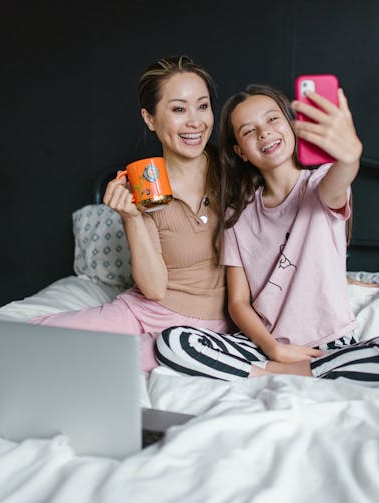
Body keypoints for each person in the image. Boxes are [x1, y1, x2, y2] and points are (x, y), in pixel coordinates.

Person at [156, 83, 379, 384]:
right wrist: (272, 349)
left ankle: (280, 375)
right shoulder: (238, 215)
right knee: (173, 342)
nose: (264, 133)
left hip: (327, 346)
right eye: (248, 131)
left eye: (273, 119)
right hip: (265, 347)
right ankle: (299, 374)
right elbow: (238, 303)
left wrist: (350, 157)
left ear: (292, 125)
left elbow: (339, 180)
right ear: (240, 152)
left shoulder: (320, 184)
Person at [29, 55, 231, 372]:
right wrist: (131, 217)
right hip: (144, 309)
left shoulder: (236, 174)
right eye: (179, 109)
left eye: (203, 106)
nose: (195, 121)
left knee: (109, 360)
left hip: (205, 328)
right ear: (149, 119)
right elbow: (154, 288)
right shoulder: (145, 184)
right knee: (34, 339)